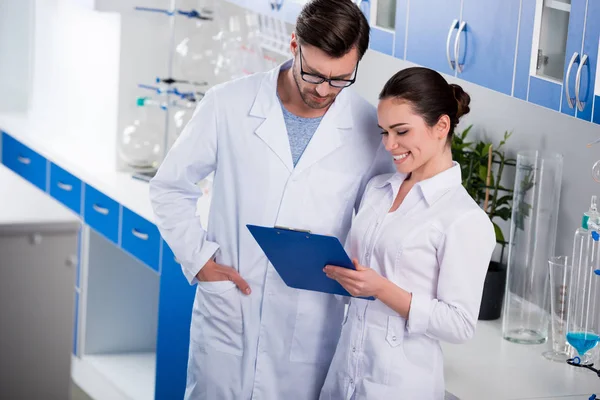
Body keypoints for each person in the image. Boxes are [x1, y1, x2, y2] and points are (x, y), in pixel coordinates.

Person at [149, 0, 393, 398]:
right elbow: (169, 187)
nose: (322, 90)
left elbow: (384, 218)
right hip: (231, 311)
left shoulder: (367, 127)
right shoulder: (228, 103)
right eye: (313, 74)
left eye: (339, 79)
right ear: (294, 45)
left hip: (309, 324)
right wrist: (199, 261)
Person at [320, 67, 497, 400]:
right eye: (384, 132)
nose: (389, 145)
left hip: (400, 385)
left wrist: (382, 289)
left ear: (441, 126)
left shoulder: (464, 219)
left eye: (401, 131)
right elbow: (353, 278)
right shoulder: (377, 190)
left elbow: (459, 324)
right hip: (344, 377)